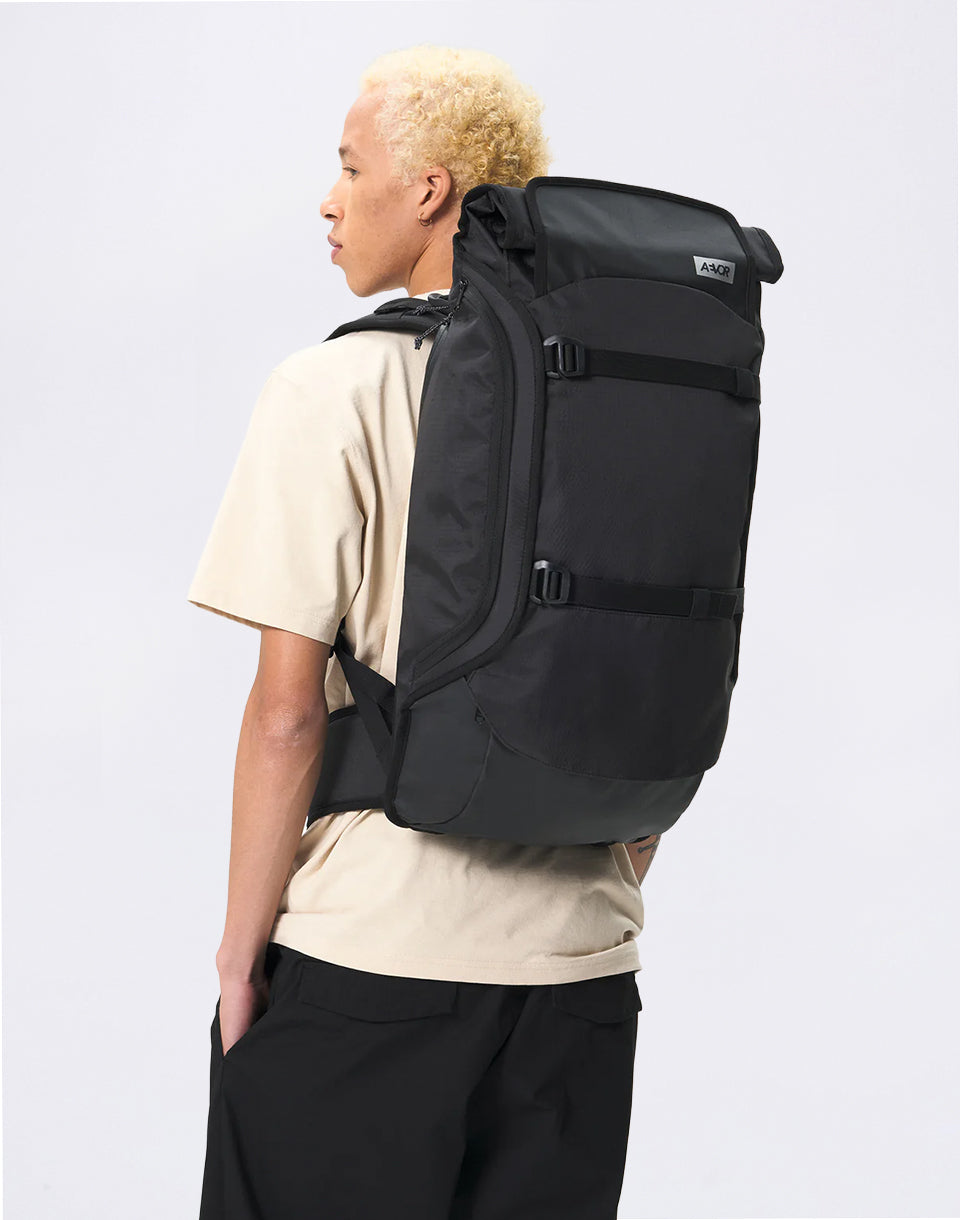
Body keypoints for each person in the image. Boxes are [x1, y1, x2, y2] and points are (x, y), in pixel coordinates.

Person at [188, 42, 662, 1220]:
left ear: (432, 188)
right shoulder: (621, 393)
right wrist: (595, 871)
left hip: (371, 964)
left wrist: (241, 961)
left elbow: (287, 714)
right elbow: (662, 656)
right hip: (581, 976)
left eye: (352, 168)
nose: (329, 199)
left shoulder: (330, 390)